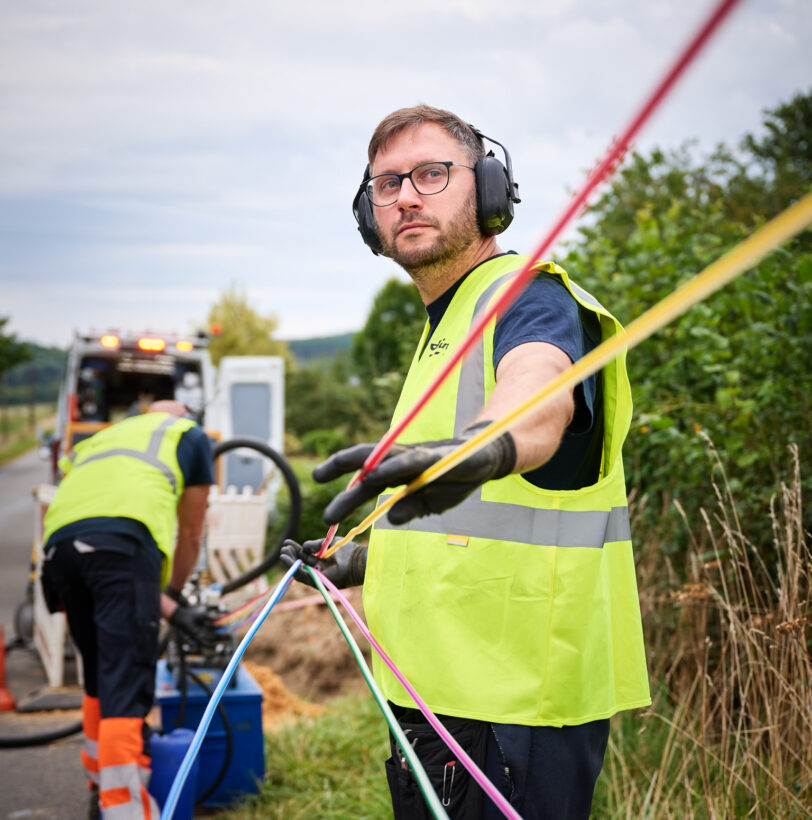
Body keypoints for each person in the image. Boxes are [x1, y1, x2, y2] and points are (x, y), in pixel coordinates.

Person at [282, 105, 651, 819]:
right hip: (437, 691)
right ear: (369, 216)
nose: (407, 196)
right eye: (386, 184)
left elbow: (539, 394)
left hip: (517, 703)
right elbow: (466, 522)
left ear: (487, 190)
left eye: (430, 173)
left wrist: (484, 444)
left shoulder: (528, 297)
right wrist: (365, 560)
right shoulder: (443, 328)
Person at [40, 399, 215, 819]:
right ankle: (125, 811)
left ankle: (101, 792)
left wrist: (166, 609)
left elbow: (93, 522)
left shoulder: (104, 438)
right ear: (184, 414)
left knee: (101, 677)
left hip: (59, 549)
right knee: (125, 686)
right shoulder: (188, 435)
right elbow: (191, 533)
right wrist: (174, 594)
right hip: (120, 546)